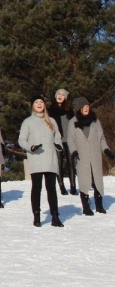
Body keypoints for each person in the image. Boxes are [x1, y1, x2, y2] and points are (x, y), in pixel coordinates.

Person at [18, 95, 63, 228]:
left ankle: (55, 216)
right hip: (36, 158)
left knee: (52, 189)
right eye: (36, 102)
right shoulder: (28, 122)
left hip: (50, 158)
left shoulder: (51, 121)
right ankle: (36, 216)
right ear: (32, 105)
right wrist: (30, 147)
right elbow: (21, 140)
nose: (39, 104)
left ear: (44, 105)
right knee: (36, 188)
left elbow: (58, 137)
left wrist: (58, 145)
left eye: (41, 102)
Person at [67, 97, 113, 216]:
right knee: (84, 180)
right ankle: (86, 206)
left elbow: (101, 137)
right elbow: (70, 140)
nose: (86, 108)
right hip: (81, 157)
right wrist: (74, 152)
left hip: (95, 154)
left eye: (87, 106)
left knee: (97, 179)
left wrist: (106, 149)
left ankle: (99, 205)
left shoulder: (95, 121)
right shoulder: (73, 122)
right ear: (79, 109)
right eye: (83, 106)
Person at [48, 89, 77, 196]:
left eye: (63, 94)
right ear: (55, 96)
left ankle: (73, 186)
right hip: (57, 138)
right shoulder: (50, 110)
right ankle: (61, 186)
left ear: (65, 97)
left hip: (69, 138)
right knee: (59, 162)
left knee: (71, 161)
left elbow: (74, 124)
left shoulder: (69, 110)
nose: (60, 96)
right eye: (59, 94)